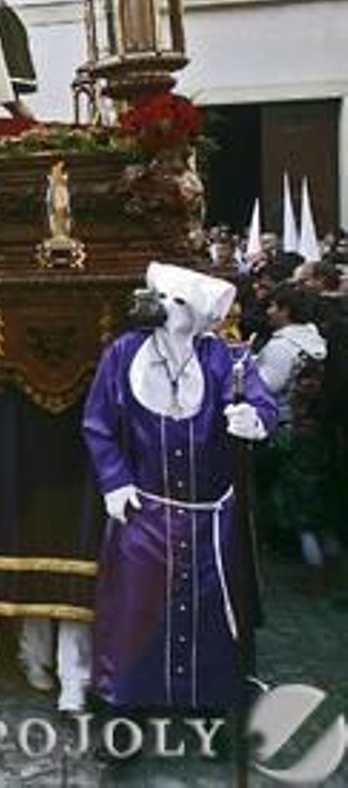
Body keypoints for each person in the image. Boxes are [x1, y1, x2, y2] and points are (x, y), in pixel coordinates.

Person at [82, 262, 276, 719]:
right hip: (143, 515)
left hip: (211, 522)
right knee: (135, 613)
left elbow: (263, 403)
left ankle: (207, 709)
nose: (163, 307)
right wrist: (114, 480)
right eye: (161, 297)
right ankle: (124, 707)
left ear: (198, 315)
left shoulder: (228, 359)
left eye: (176, 301)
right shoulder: (123, 354)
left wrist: (256, 420)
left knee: (210, 616)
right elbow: (98, 424)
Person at [253, 282, 332, 590]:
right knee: (314, 498)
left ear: (286, 310)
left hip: (286, 428)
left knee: (297, 501)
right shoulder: (316, 339)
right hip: (315, 427)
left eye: (273, 306)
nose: (269, 311)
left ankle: (314, 567)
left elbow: (265, 386)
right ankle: (328, 561)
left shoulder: (281, 347)